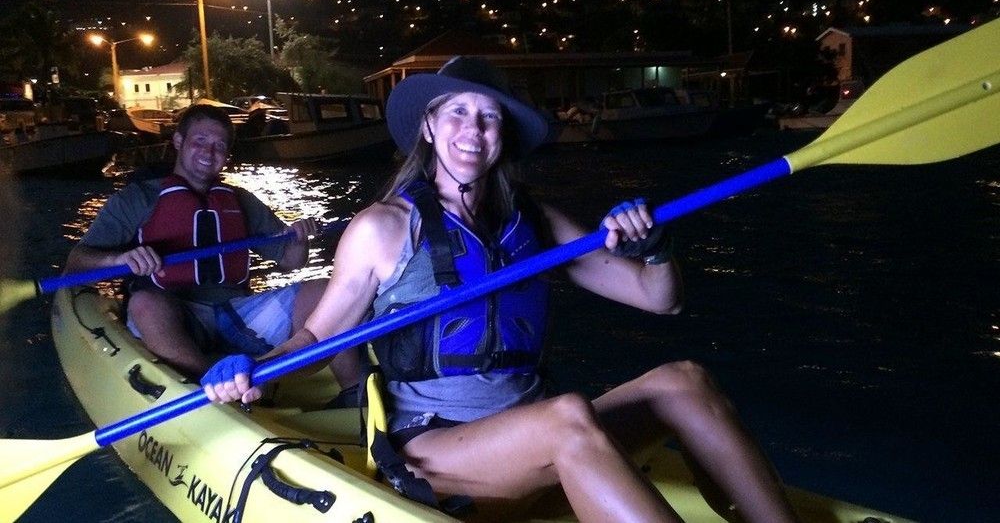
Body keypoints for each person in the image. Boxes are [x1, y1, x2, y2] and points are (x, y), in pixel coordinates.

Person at [201, 58, 797, 522]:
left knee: (684, 381)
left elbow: (659, 298)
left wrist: (654, 249)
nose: (473, 129)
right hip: (434, 456)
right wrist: (252, 370)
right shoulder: (383, 227)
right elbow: (317, 334)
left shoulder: (534, 223)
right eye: (457, 112)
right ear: (429, 127)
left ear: (502, 136)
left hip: (534, 441)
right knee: (567, 415)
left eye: (489, 117)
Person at [65, 104, 360, 388]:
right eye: (200, 140)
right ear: (179, 141)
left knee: (326, 291)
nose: (209, 152)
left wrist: (298, 237)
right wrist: (121, 259)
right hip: (175, 314)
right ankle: (215, 384)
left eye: (219, 145)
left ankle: (349, 391)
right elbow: (76, 262)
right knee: (144, 302)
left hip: (236, 312)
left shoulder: (240, 200)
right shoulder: (137, 199)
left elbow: (291, 261)